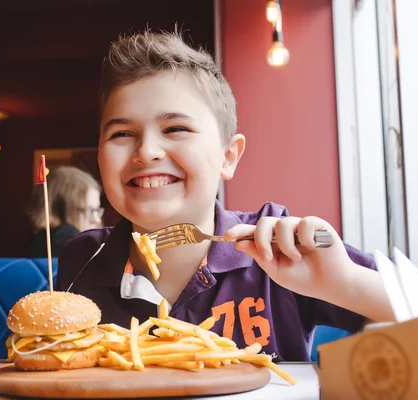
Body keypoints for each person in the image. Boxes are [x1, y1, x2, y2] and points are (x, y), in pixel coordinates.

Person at [55, 30, 394, 361]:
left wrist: (344, 282)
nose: (147, 151)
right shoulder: (84, 259)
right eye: (122, 133)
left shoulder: (277, 249)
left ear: (228, 156)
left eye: (176, 129)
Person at [27, 166, 103, 258]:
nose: (97, 219)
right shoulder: (66, 236)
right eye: (90, 210)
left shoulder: (42, 237)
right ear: (67, 208)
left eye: (97, 210)